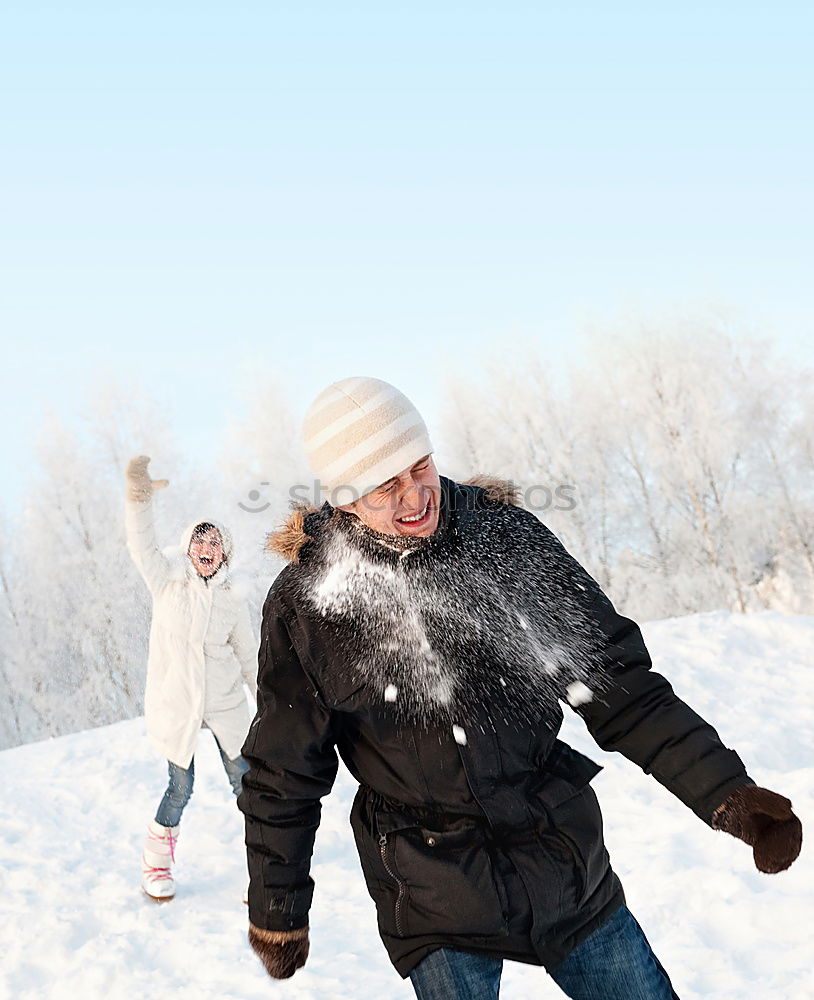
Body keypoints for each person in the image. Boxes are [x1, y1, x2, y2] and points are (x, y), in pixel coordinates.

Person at [238, 378, 802, 998]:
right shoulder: (309, 605)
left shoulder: (507, 542)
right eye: (383, 487)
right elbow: (284, 771)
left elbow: (620, 689)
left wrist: (729, 796)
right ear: (344, 502)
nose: (413, 497)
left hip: (558, 859)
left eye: (418, 466)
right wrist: (277, 911)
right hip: (433, 886)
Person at [125, 455, 258, 902]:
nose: (208, 548)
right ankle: (156, 864)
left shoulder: (231, 599)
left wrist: (272, 705)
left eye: (216, 542)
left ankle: (264, 867)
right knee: (180, 787)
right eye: (201, 541)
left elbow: (250, 658)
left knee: (247, 785)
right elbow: (141, 545)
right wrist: (138, 498)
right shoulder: (167, 584)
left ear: (225, 552)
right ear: (188, 549)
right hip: (178, 703)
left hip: (224, 704)